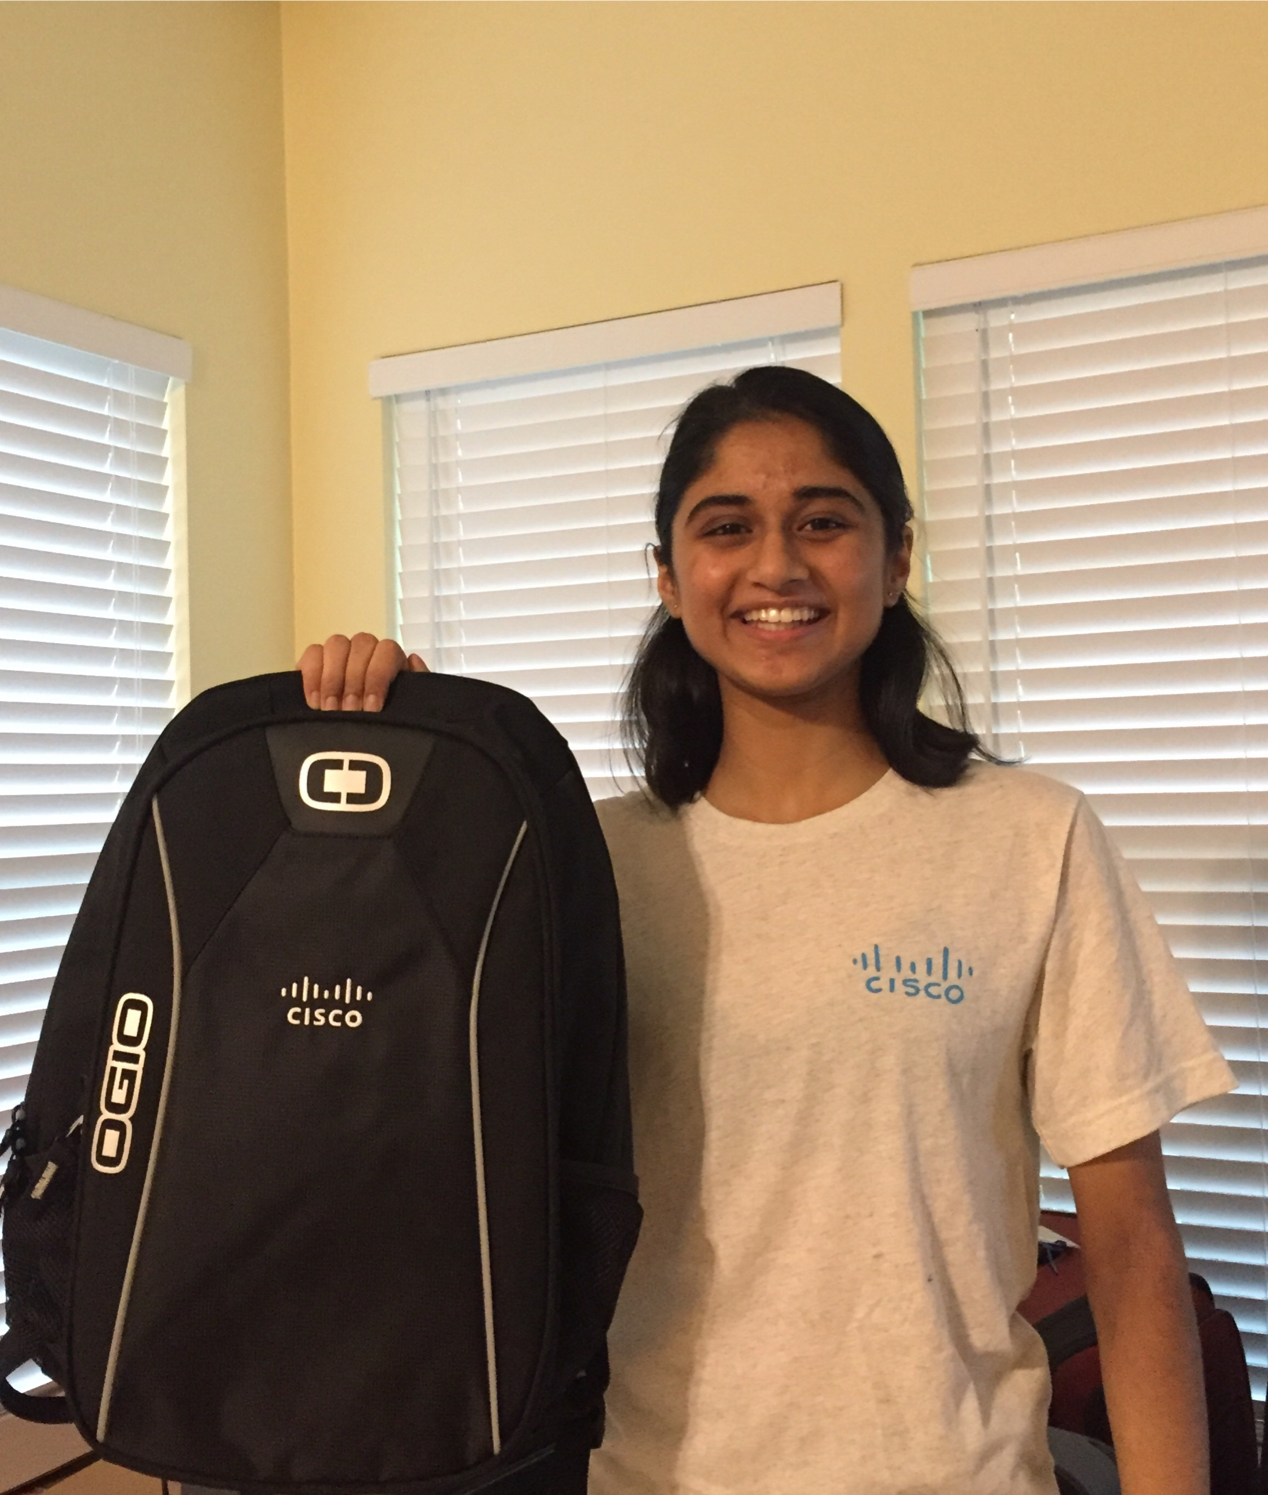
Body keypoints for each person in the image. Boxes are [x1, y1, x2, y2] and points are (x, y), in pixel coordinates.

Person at [300, 366, 1234, 1495]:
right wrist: (399, 749)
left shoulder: (1032, 839)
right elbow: (389, 1095)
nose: (777, 565)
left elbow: (1130, 1249)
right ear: (668, 573)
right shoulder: (579, 864)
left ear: (896, 557)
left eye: (823, 522)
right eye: (727, 526)